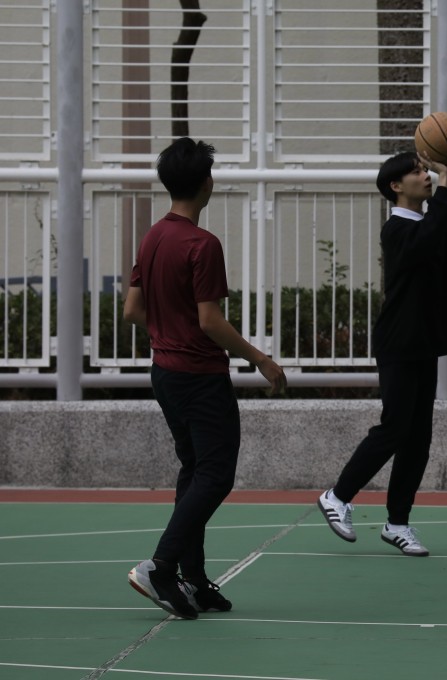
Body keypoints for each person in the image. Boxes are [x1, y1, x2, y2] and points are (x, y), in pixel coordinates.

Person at [124, 137, 287, 620]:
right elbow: (210, 320)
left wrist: (164, 331)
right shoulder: (201, 243)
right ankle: (161, 566)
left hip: (165, 375)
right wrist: (261, 359)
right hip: (199, 377)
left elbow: (132, 309)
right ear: (207, 183)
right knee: (215, 475)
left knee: (195, 471)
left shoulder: (153, 236)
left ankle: (191, 579)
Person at [317, 139, 447, 557]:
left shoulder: (431, 228)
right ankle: (337, 496)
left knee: (418, 439)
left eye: (427, 169)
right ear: (396, 186)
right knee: (394, 427)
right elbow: (431, 232)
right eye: (418, 170)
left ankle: (397, 522)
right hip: (398, 343)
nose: (427, 174)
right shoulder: (397, 230)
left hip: (425, 345)